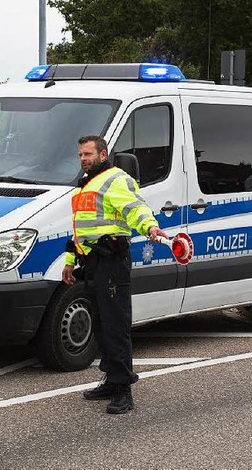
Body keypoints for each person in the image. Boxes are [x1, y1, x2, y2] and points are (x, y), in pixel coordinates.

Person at [62, 135, 167, 414]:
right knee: (101, 325)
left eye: (88, 154)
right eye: (80, 155)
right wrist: (70, 262)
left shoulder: (114, 179)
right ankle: (111, 380)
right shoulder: (84, 186)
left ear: (103, 154)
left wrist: (150, 227)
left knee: (115, 326)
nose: (83, 159)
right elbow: (79, 230)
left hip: (112, 262)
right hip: (92, 263)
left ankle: (123, 390)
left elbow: (135, 208)